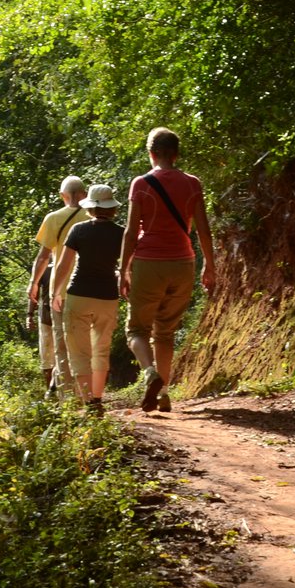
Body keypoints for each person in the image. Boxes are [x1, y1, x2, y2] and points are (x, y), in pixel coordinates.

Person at [117, 127, 216, 412]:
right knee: (166, 332)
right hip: (184, 263)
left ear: (151, 154)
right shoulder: (193, 183)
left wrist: (123, 269)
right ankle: (164, 395)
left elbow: (130, 231)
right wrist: (209, 265)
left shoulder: (141, 183)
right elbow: (204, 230)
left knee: (136, 329)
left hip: (148, 263)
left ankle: (150, 374)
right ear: (176, 154)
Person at [51, 184, 124, 414]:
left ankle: (89, 403)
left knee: (79, 352)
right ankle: (98, 398)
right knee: (101, 349)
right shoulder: (122, 233)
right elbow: (129, 265)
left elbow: (63, 265)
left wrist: (55, 292)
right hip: (108, 296)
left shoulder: (79, 230)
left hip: (79, 294)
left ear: (90, 208)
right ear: (112, 208)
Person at [27, 175, 88, 392]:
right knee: (85, 344)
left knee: (61, 345)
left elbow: (43, 257)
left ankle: (67, 400)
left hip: (60, 290)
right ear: (85, 194)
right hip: (88, 289)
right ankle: (88, 394)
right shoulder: (93, 215)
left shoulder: (53, 218)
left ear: (63, 196)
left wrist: (34, 283)